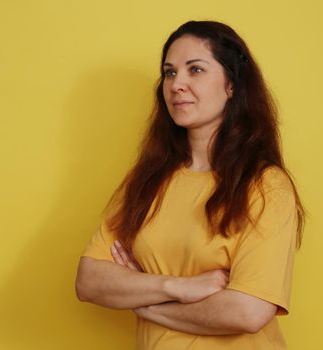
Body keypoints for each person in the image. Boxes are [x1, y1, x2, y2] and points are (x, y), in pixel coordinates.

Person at [75, 20, 305, 350]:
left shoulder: (266, 186)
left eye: (195, 70)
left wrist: (141, 298)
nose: (176, 84)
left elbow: (248, 311)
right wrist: (176, 287)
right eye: (169, 72)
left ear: (231, 86)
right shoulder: (147, 180)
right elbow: (89, 281)